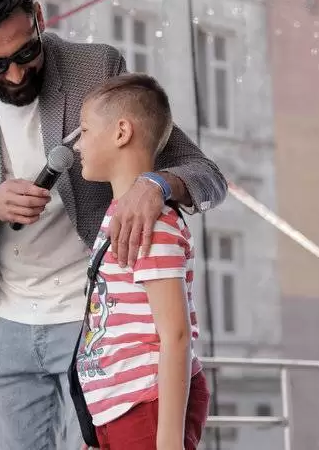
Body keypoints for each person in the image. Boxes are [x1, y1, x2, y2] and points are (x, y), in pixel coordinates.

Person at [0, 0, 227, 450]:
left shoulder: (94, 68)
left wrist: (156, 185)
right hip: (10, 316)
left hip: (94, 318)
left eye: (25, 52)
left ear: (38, 17)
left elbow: (206, 175)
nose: (16, 75)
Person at [72, 73, 209, 450]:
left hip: (147, 402)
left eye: (85, 130)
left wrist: (168, 440)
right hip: (120, 406)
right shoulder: (118, 216)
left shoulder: (151, 223)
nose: (78, 144)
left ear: (121, 132)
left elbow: (176, 334)